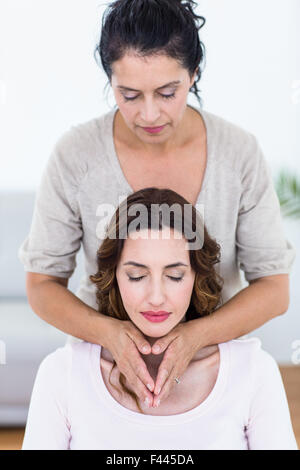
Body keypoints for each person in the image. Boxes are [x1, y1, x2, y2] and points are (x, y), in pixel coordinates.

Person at [18, 0, 295, 409]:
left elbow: (274, 288)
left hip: (213, 369)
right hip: (104, 370)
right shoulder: (75, 156)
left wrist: (196, 337)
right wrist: (110, 334)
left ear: (194, 74)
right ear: (109, 80)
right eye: (128, 94)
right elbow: (42, 284)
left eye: (168, 92)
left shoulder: (238, 154)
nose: (149, 114)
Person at [21, 188, 298, 450]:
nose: (156, 297)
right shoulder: (61, 374)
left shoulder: (253, 371)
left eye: (175, 276)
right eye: (137, 275)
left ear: (195, 277)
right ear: (114, 276)